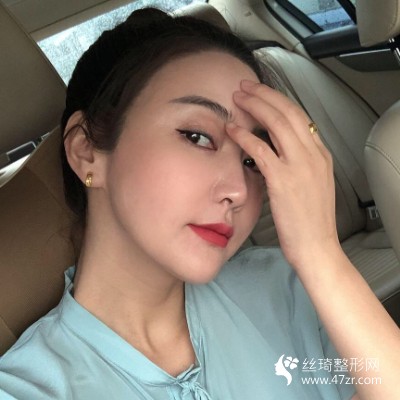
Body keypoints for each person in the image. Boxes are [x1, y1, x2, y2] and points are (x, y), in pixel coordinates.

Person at [0, 7, 399, 400]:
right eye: (197, 137)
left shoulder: (288, 287)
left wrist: (321, 254)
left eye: (251, 160)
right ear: (87, 152)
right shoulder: (25, 388)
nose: (240, 191)